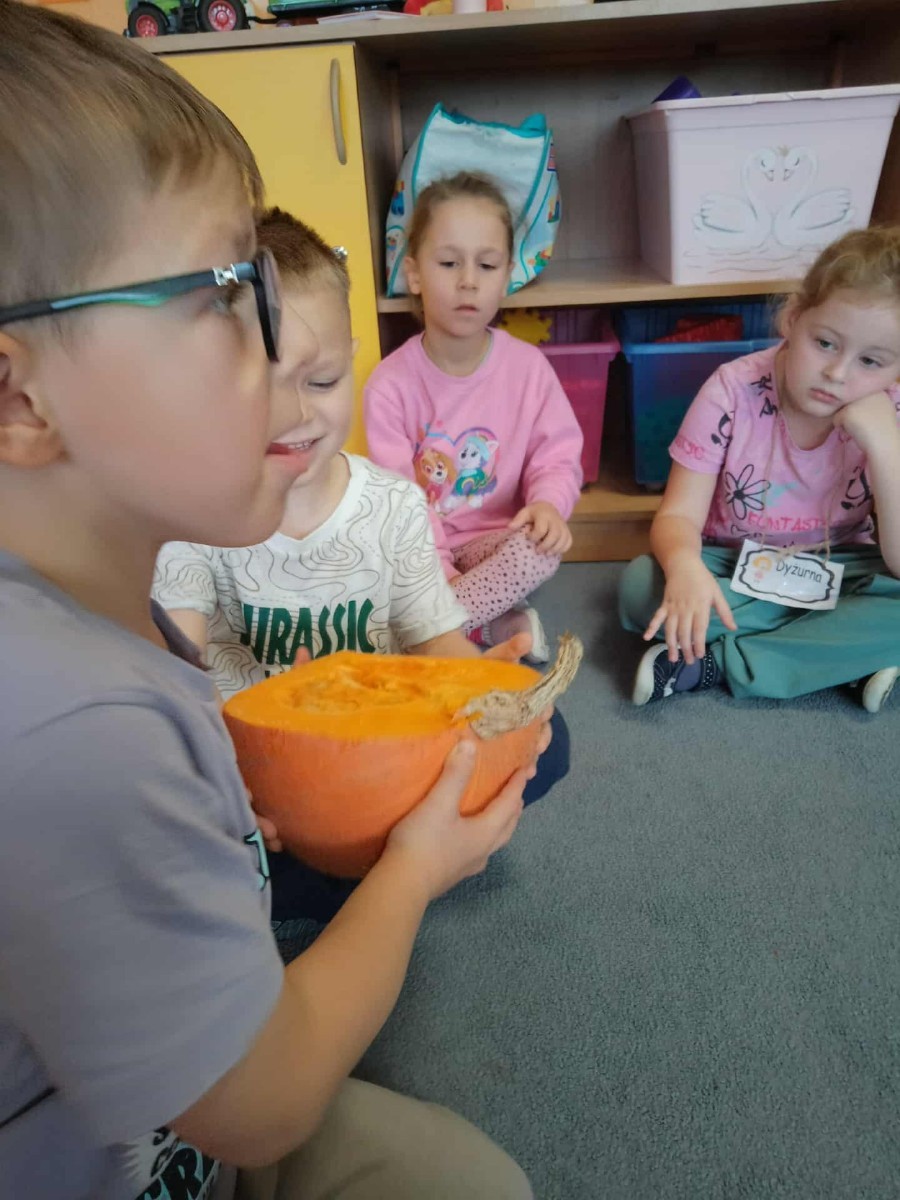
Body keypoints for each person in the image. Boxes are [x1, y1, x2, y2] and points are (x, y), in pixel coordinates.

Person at [0, 5, 547, 1198]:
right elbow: (261, 1110)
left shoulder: (101, 605)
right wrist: (414, 868)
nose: (290, 377)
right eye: (229, 298)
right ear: (21, 400)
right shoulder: (74, 731)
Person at [153, 206, 522, 700]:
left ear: (350, 362)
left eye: (322, 381)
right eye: (261, 389)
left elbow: (436, 640)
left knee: (542, 732)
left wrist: (480, 681)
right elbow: (177, 662)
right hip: (247, 751)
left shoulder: (395, 508)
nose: (294, 414)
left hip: (377, 735)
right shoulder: (192, 520)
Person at [618, 226, 900, 713]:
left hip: (843, 569)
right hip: (731, 565)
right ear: (793, 318)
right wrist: (685, 568)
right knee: (642, 587)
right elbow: (678, 517)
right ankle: (837, 657)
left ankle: (715, 664)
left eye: (871, 361)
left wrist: (886, 446)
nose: (837, 374)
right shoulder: (731, 389)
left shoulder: (890, 411)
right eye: (826, 343)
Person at [364, 171, 584, 664]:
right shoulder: (389, 384)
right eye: (448, 262)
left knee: (541, 548)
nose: (468, 280)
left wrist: (548, 505)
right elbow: (398, 505)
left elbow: (558, 455)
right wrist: (439, 573)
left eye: (486, 265)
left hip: (494, 542)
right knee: (361, 565)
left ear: (506, 274)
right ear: (415, 273)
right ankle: (488, 623)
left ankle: (441, 629)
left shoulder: (529, 369)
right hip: (417, 553)